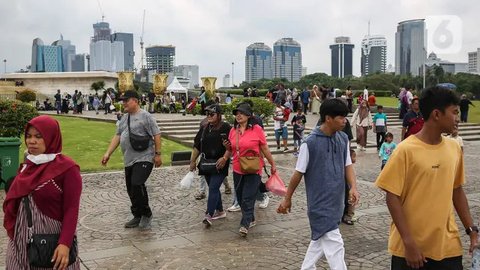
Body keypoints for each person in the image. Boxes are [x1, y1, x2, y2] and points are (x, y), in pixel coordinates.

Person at [375, 86, 478, 270]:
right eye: (454, 112)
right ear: (436, 114)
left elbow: (457, 190)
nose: (458, 118)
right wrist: (408, 242)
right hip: (411, 250)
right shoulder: (405, 150)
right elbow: (392, 197)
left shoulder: (454, 148)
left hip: (448, 247)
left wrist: (471, 230)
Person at [277, 98, 360, 270]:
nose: (345, 121)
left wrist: (353, 187)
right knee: (335, 245)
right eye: (341, 117)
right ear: (328, 118)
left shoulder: (343, 139)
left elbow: (348, 166)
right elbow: (297, 174)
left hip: (337, 202)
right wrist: (287, 198)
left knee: (318, 242)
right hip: (319, 205)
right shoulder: (310, 143)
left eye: (345, 117)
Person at [4, 115, 82, 269]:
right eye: (29, 136)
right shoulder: (28, 165)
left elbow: (71, 209)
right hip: (20, 239)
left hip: (50, 240)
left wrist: (65, 243)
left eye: (39, 137)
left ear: (51, 137)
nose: (31, 141)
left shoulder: (67, 169)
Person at [101, 90, 162, 229]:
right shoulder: (124, 118)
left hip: (145, 157)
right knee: (131, 188)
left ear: (135, 100)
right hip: (129, 159)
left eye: (126, 100)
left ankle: (146, 214)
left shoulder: (146, 116)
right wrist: (107, 153)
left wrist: (158, 154)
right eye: (122, 100)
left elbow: (157, 134)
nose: (123, 103)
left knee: (137, 183)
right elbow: (117, 136)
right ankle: (137, 215)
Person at [227, 102, 276, 236]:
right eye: (237, 113)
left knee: (248, 197)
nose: (238, 116)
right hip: (238, 168)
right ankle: (251, 217)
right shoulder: (233, 130)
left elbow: (264, 148)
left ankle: (245, 224)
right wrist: (226, 153)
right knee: (241, 195)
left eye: (241, 113)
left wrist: (272, 163)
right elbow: (230, 149)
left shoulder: (257, 130)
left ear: (248, 115)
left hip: (254, 168)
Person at [189, 104, 231, 226]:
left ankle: (209, 214)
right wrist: (192, 161)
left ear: (218, 115)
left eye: (212, 114)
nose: (209, 116)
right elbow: (197, 145)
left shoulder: (226, 127)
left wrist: (225, 157)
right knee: (214, 188)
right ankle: (221, 211)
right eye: (207, 114)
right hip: (206, 163)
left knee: (213, 187)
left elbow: (231, 145)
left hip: (220, 163)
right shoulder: (204, 127)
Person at [342, 149, 357, 225]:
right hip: (346, 189)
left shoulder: (350, 168)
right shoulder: (346, 168)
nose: (355, 159)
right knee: (349, 202)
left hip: (349, 189)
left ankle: (348, 216)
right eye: (354, 156)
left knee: (350, 202)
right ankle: (347, 216)